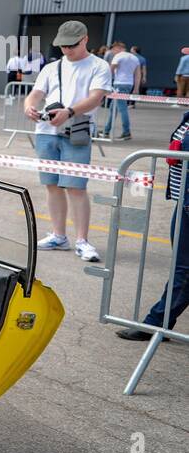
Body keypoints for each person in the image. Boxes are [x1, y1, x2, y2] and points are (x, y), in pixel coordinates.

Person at [25, 20, 111, 263]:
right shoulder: (52, 68)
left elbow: (96, 98)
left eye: (71, 45)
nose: (66, 50)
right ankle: (58, 235)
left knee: (76, 187)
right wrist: (29, 106)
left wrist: (70, 111)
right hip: (46, 130)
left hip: (76, 130)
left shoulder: (99, 66)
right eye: (62, 46)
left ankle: (82, 240)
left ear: (85, 39)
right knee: (52, 185)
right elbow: (36, 93)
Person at [116, 110, 189, 341]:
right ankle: (158, 322)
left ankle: (155, 323)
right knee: (183, 268)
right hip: (184, 201)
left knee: (184, 269)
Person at [102, 41, 138, 140]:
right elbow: (137, 74)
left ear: (117, 48)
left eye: (113, 49)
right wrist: (136, 88)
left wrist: (105, 83)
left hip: (119, 84)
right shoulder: (134, 58)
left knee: (122, 109)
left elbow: (110, 70)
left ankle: (126, 132)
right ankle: (106, 130)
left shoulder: (118, 56)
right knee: (113, 108)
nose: (112, 52)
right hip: (129, 84)